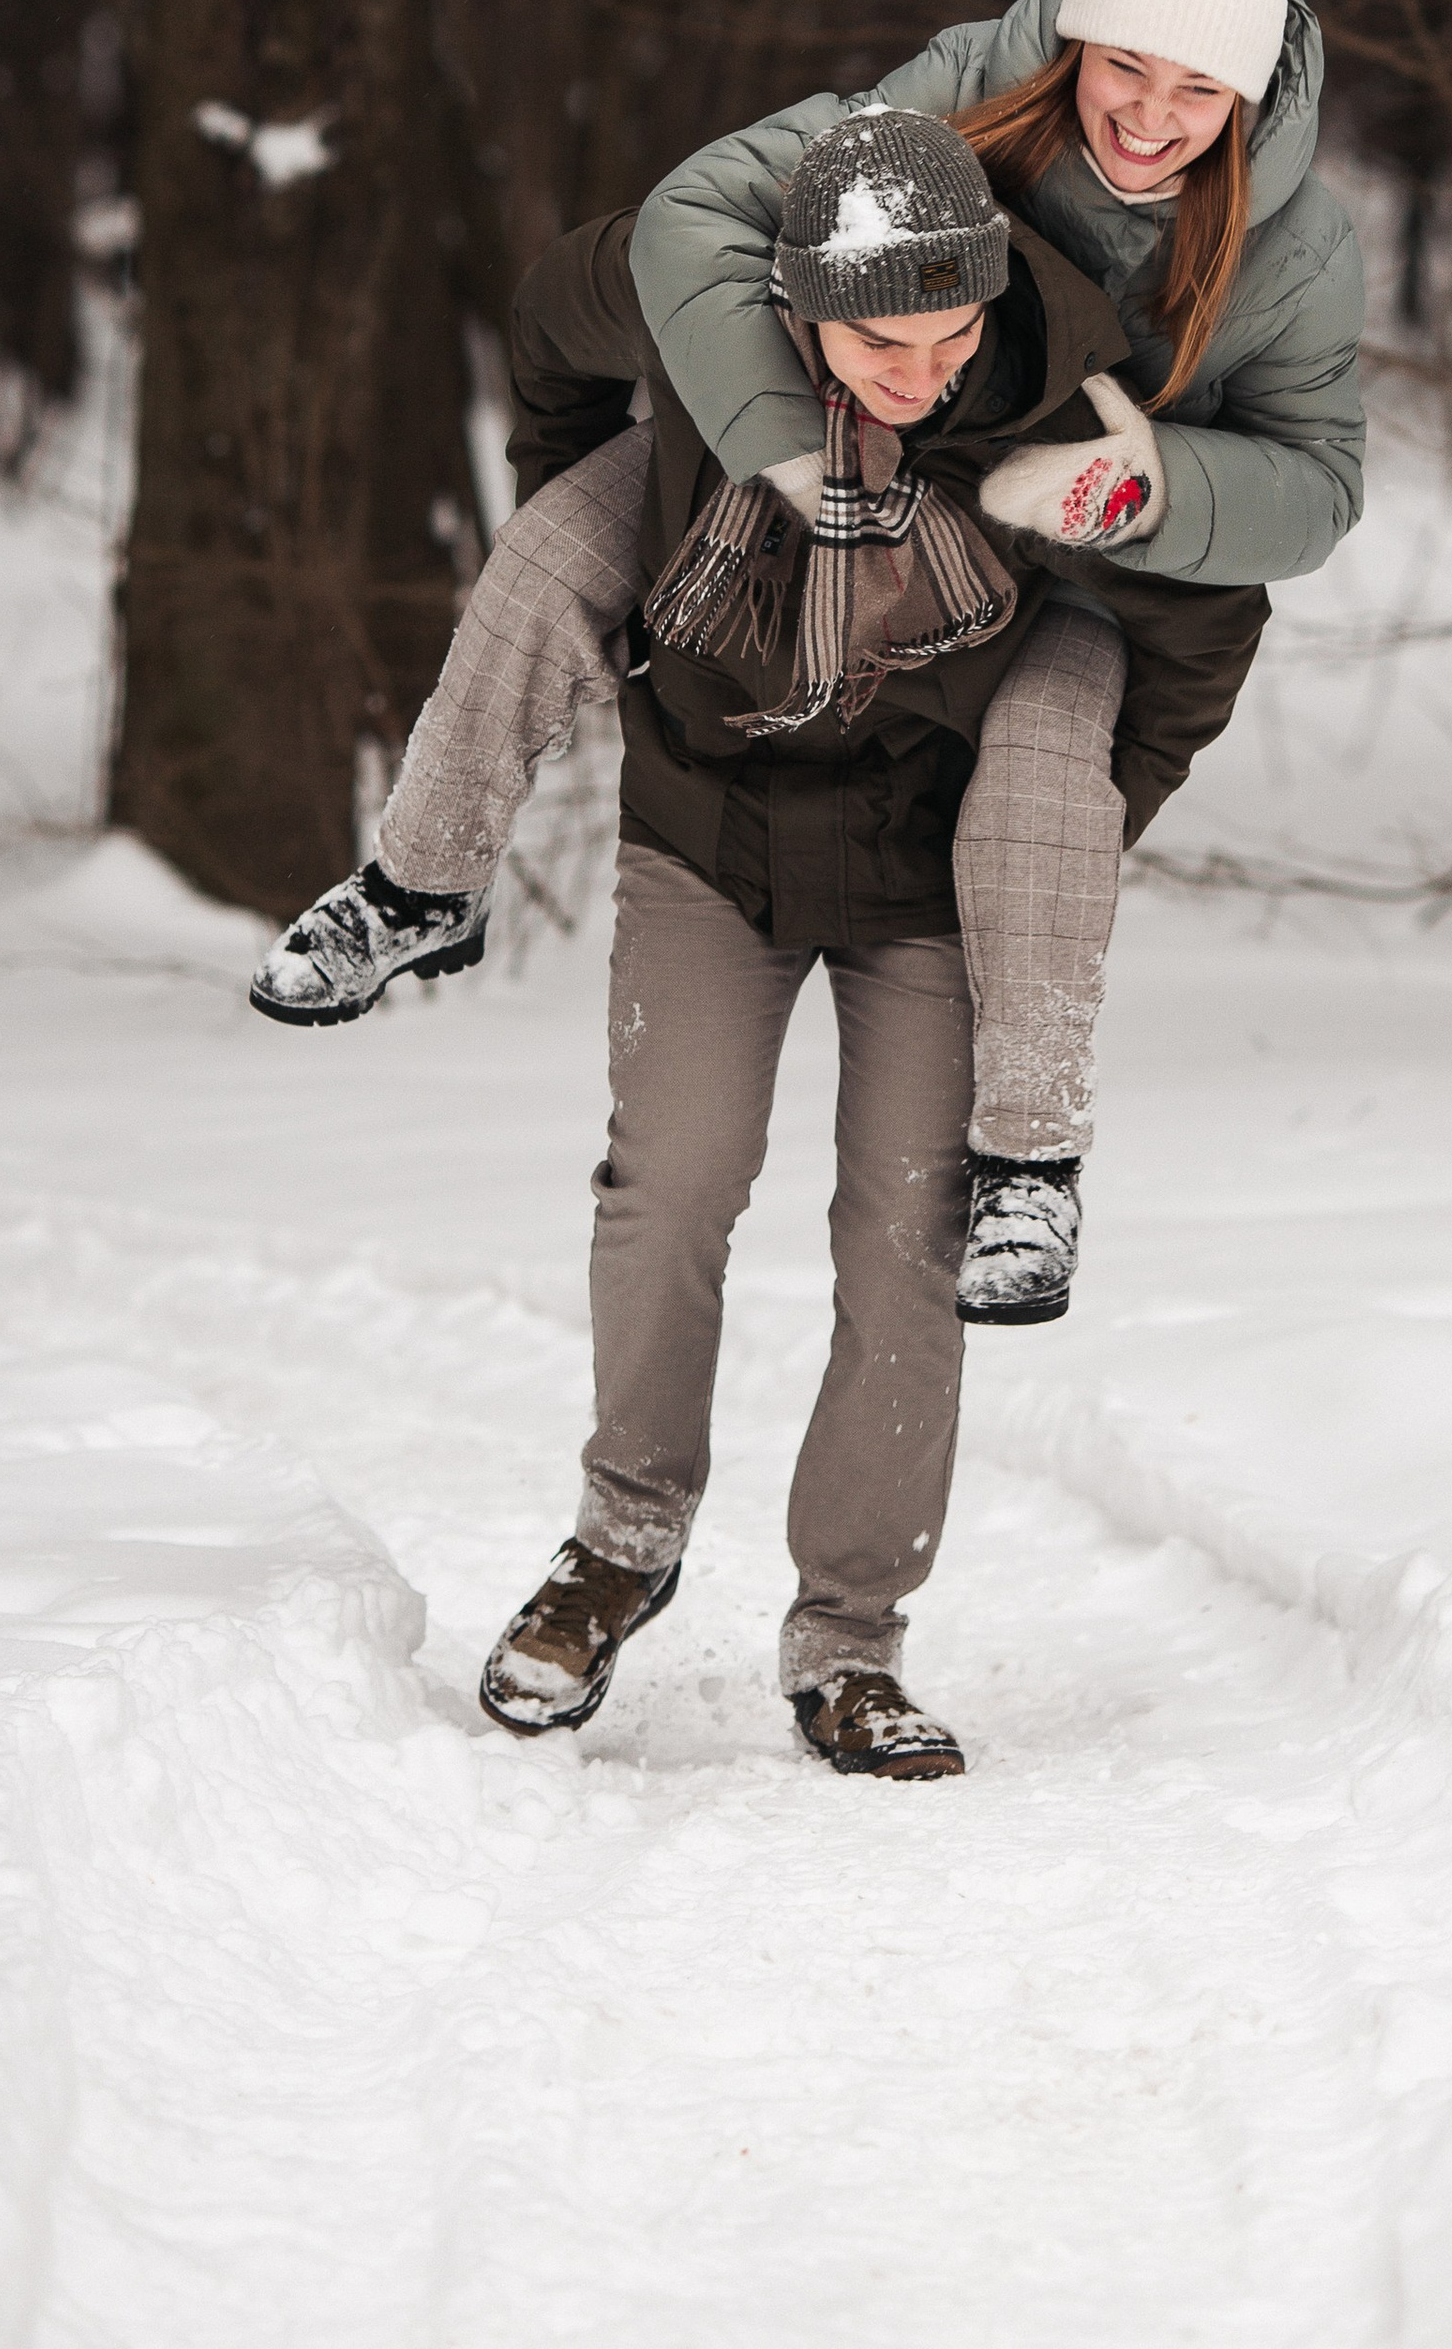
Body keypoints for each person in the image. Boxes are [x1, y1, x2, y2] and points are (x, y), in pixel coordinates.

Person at [251, 0, 1365, 1319]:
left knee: (1043, 762)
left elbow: (1322, 485)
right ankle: (421, 880)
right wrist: (781, 451)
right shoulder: (957, 92)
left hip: (1074, 558)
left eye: (1198, 89)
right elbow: (697, 216)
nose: (1153, 118)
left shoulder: (1297, 248)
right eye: (1128, 67)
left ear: (1247, 93)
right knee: (555, 552)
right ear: (1081, 31)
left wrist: (1156, 489)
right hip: (838, 476)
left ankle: (1031, 1169)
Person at [470, 110, 1268, 1776]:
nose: (921, 370)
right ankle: (619, 1551)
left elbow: (1212, 601)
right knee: (670, 1183)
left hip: (927, 870)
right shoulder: (702, 327)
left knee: (913, 1243)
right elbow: (549, 317)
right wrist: (586, 516)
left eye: (950, 330)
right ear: (793, 310)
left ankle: (849, 1643)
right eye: (878, 339)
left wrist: (1083, 821)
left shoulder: (1060, 400)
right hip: (709, 834)